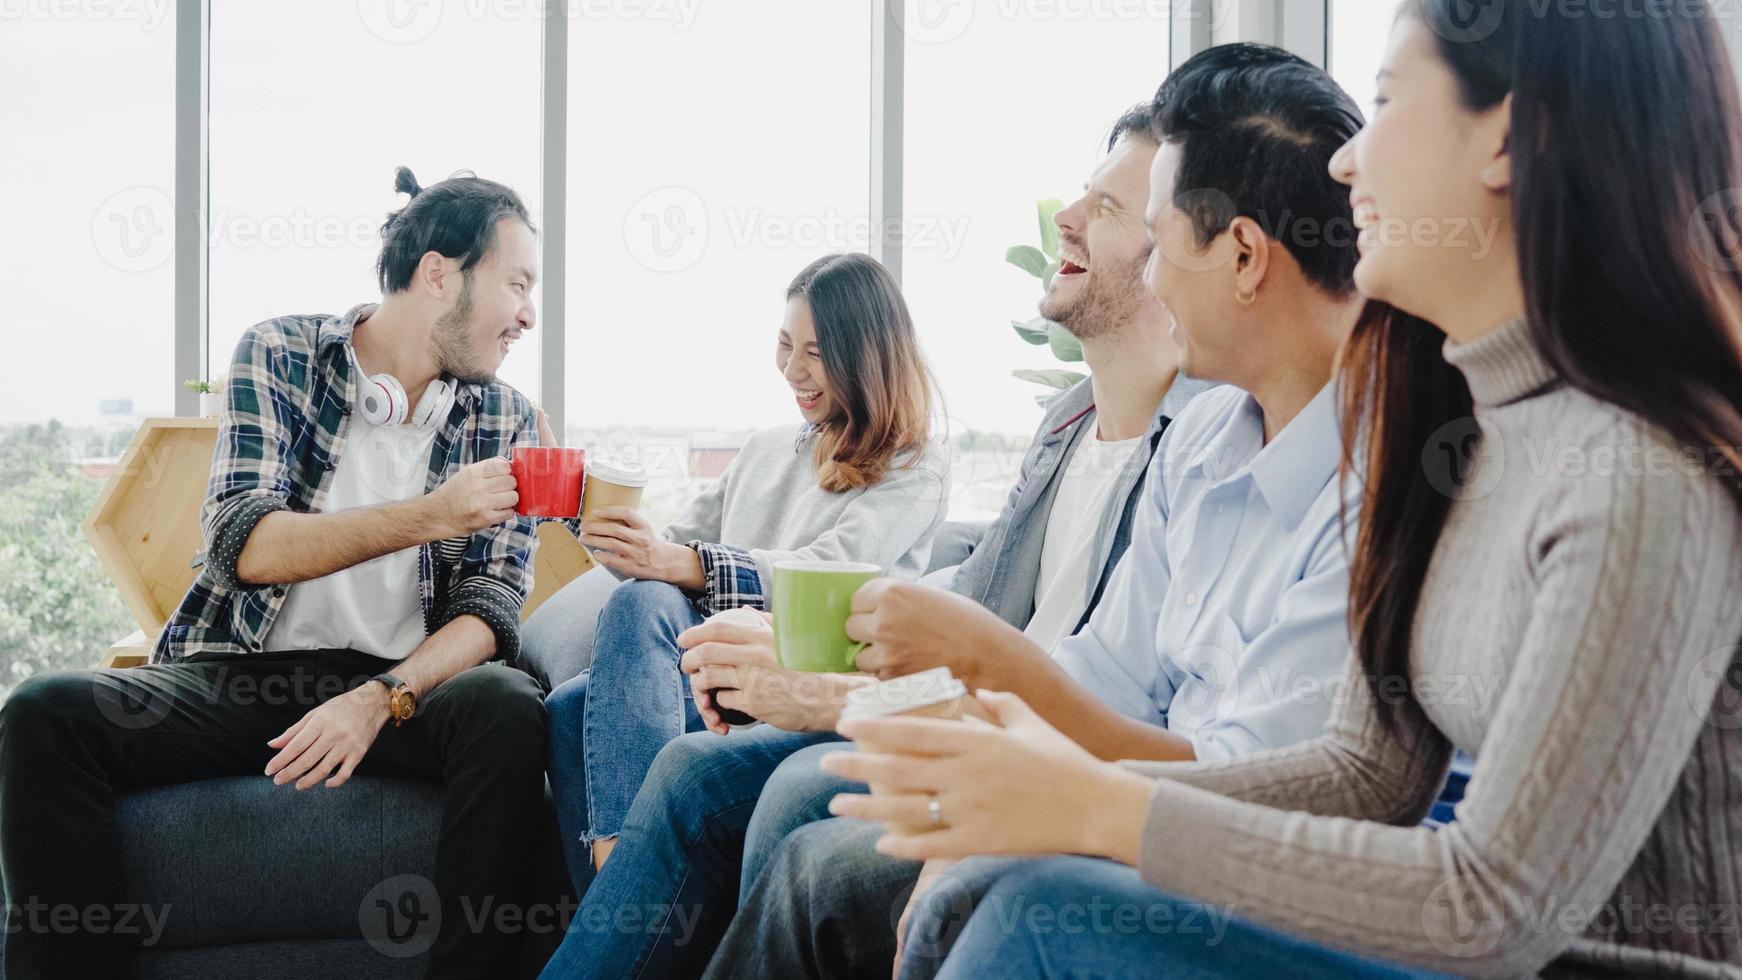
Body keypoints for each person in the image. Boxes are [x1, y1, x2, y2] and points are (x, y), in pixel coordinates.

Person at [835, 6, 1742, 979]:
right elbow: (1363, 773)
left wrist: (1096, 805)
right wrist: (1040, 793)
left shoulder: (1637, 475)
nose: (1348, 164)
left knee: (1044, 917)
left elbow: (1490, 908)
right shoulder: (1457, 428)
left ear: (1508, 141)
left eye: (1387, 101)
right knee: (1014, 883)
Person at [706, 43, 1374, 979]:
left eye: (1143, 225)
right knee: (789, 810)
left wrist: (933, 691)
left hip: (1233, 859)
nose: (1146, 274)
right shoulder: (1187, 438)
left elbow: (1236, 794)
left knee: (821, 856)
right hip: (1100, 782)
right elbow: (1097, 676)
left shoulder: (1360, 486)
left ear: (1244, 257)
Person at [534, 104, 1215, 979]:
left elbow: (1088, 703)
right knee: (636, 722)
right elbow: (976, 597)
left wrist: (819, 684)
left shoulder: (1194, 450)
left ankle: (619, 901)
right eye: (786, 348)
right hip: (941, 709)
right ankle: (621, 904)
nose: (1066, 219)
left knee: (761, 786)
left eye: (1111, 208)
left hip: (989, 731)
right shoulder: (1067, 423)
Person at [0, 168, 553, 979]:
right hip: (244, 675)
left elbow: (491, 606)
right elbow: (244, 543)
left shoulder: (507, 418)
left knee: (506, 704)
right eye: (518, 283)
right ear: (440, 274)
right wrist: (435, 514)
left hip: (404, 693)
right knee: (47, 713)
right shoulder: (283, 354)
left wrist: (380, 698)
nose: (528, 314)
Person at [538, 252, 950, 883]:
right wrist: (592, 523)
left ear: (867, 356)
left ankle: (627, 887)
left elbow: (831, 569)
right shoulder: (764, 450)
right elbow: (673, 551)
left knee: (639, 614)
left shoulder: (913, 466)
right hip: (713, 675)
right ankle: (621, 902)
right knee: (572, 703)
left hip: (802, 678)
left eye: (815, 352)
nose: (792, 369)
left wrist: (676, 562)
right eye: (785, 345)